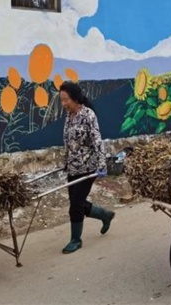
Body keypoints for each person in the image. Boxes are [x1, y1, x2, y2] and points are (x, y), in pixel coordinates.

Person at [59, 81, 115, 254]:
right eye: (61, 100)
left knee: (75, 204)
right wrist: (66, 161)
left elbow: (97, 140)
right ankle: (105, 215)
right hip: (73, 167)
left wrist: (101, 165)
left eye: (65, 100)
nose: (63, 104)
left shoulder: (88, 115)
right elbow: (68, 142)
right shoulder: (70, 116)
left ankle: (76, 240)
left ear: (75, 98)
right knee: (77, 202)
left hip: (88, 167)